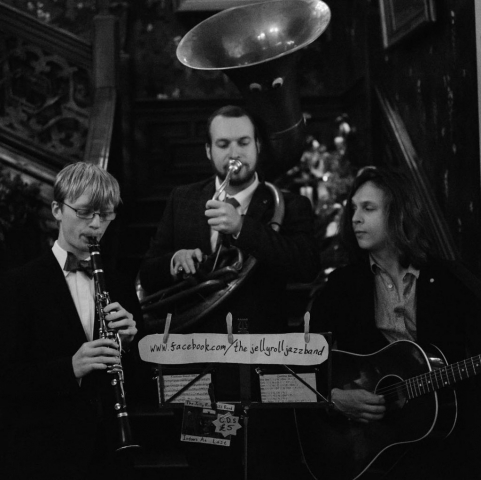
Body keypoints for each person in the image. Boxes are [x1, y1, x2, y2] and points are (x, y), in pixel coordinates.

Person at [138, 105, 320, 479]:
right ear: (208, 150)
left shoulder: (290, 203)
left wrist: (242, 228)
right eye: (223, 144)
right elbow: (147, 273)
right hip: (196, 367)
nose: (234, 153)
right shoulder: (183, 199)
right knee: (207, 466)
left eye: (243, 142)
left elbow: (305, 264)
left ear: (258, 148)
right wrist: (174, 260)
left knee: (266, 463)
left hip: (261, 364)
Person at [308, 166, 481, 479]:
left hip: (447, 439)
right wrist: (333, 397)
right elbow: (300, 365)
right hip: (371, 446)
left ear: (399, 213)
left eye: (368, 208)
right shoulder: (341, 288)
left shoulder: (450, 279)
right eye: (353, 209)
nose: (355, 219)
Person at [0, 162, 141, 480]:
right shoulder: (18, 284)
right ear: (56, 209)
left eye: (104, 215)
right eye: (84, 212)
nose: (95, 225)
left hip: (108, 455)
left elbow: (137, 383)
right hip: (42, 455)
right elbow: (7, 377)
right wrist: (71, 368)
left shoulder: (119, 284)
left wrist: (130, 346)